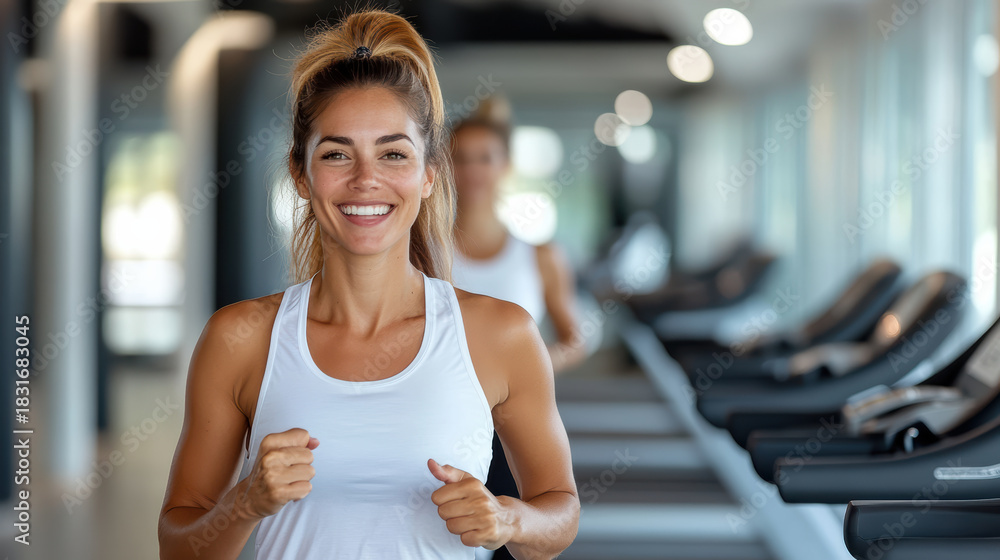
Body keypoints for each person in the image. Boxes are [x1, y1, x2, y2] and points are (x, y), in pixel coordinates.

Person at [157, 9, 579, 559]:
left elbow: (560, 515)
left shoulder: (500, 334)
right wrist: (245, 503)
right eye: (336, 154)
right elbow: (177, 547)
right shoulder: (238, 338)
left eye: (392, 153)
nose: (365, 179)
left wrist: (508, 517)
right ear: (300, 176)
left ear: (429, 174)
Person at [449, 99, 587, 560]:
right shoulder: (420, 254)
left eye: (483, 158)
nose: (471, 170)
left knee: (515, 538)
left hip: (509, 421)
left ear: (504, 165)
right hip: (445, 419)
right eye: (459, 158)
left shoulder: (539, 255)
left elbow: (575, 339)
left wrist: (530, 366)